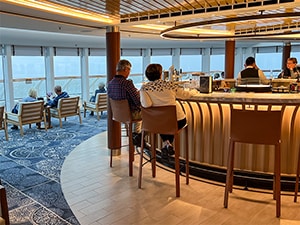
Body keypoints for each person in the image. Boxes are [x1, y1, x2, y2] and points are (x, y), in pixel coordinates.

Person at [140, 63, 198, 159]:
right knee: (168, 124)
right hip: (177, 121)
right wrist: (195, 91)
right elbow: (185, 95)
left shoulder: (144, 88)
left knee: (161, 123)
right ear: (160, 74)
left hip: (157, 122)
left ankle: (167, 144)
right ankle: (167, 145)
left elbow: (146, 105)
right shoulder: (169, 85)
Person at [107, 59, 143, 147]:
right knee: (150, 114)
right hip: (131, 115)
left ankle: (135, 135)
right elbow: (138, 101)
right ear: (126, 69)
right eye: (129, 70)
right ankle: (137, 135)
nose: (129, 73)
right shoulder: (127, 83)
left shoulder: (110, 84)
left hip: (118, 115)